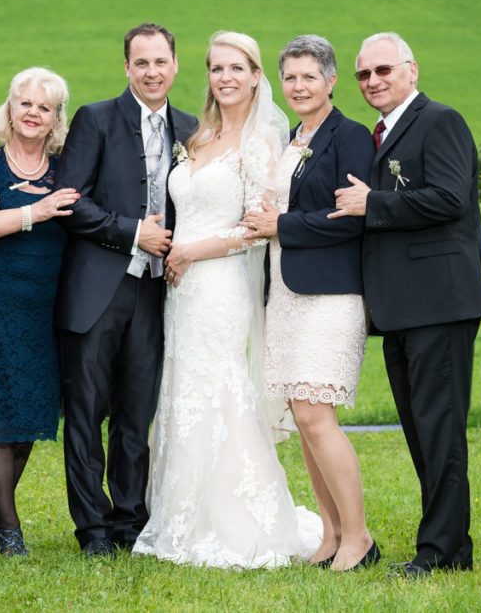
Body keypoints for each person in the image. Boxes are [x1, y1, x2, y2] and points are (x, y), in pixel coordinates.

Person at [133, 31, 321, 569]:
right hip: (181, 288)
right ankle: (180, 514)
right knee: (182, 385)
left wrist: (191, 250)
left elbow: (257, 228)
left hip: (220, 285)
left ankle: (237, 520)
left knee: (219, 386)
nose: (226, 78)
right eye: (217, 68)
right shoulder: (198, 135)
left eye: (237, 68)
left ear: (257, 75)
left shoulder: (261, 144)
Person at [331, 32, 481, 578]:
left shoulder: (439, 120)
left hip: (440, 303)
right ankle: (452, 544)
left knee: (439, 427)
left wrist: (373, 202)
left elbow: (452, 198)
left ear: (411, 70)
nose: (373, 81)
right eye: (364, 74)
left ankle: (440, 552)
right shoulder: (381, 134)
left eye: (383, 70)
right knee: (420, 428)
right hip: (400, 307)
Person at [55, 23, 198, 557]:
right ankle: (91, 528)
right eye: (141, 63)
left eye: (160, 61)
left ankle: (129, 520)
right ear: (127, 68)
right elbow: (69, 200)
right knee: (87, 411)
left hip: (158, 293)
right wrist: (131, 231)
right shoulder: (95, 119)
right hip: (98, 290)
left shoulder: (190, 128)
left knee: (137, 414)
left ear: (175, 65)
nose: (152, 71)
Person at [242, 34, 378, 571]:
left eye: (308, 77)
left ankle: (360, 538)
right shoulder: (295, 137)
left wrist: (282, 224)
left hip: (333, 294)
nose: (298, 86)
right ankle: (330, 534)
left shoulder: (350, 137)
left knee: (317, 413)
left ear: (331, 80)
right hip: (288, 292)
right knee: (302, 415)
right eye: (290, 77)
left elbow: (353, 217)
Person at [0, 67, 77, 557]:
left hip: (45, 300)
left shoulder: (65, 168)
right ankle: (9, 528)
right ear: (10, 108)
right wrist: (36, 212)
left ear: (55, 119)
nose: (33, 113)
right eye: (25, 103)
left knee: (28, 409)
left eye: (44, 107)